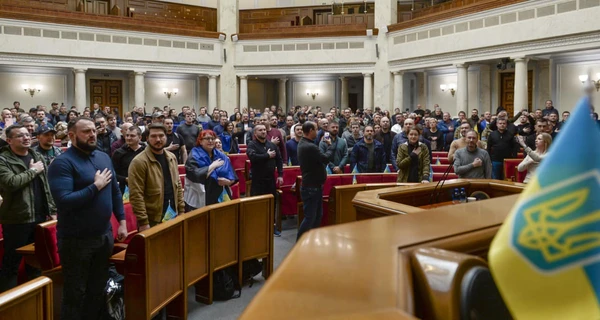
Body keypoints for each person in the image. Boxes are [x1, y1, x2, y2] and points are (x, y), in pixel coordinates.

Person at [48, 117, 127, 319]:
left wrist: (122, 221)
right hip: (77, 240)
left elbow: (115, 192)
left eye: (93, 130)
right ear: (72, 135)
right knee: (75, 293)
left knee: (97, 289)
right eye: (86, 131)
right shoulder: (62, 163)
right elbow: (64, 200)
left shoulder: (102, 157)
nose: (92, 134)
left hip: (104, 235)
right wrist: (95, 187)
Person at [0, 125, 56, 292]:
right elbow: (10, 183)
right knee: (12, 264)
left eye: (27, 134)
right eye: (20, 136)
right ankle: (8, 302)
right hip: (17, 219)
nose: (25, 138)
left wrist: (52, 211)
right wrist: (32, 171)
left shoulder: (36, 155)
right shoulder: (3, 160)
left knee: (36, 262)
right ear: (9, 140)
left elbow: (46, 186)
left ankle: (35, 299)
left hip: (39, 218)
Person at [128, 124, 184, 230]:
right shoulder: (139, 161)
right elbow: (136, 195)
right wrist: (143, 222)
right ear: (147, 138)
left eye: (161, 136)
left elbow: (178, 185)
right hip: (152, 220)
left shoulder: (171, 157)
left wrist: (181, 210)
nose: (158, 139)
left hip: (173, 214)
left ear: (166, 137)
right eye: (153, 136)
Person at [296, 121, 335, 241]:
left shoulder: (305, 143)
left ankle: (311, 240)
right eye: (316, 129)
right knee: (310, 218)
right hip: (311, 187)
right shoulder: (309, 146)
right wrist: (330, 145)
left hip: (314, 186)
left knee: (317, 216)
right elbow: (326, 158)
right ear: (311, 131)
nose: (318, 132)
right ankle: (300, 242)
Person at [184, 130, 236, 211]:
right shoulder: (194, 155)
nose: (211, 141)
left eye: (212, 138)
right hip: (202, 195)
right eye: (207, 138)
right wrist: (212, 166)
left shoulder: (220, 154)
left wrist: (228, 182)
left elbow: (232, 174)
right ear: (200, 141)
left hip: (221, 192)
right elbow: (195, 175)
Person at [247, 124, 284, 237]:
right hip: (258, 179)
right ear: (255, 133)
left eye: (264, 130)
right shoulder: (252, 144)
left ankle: (272, 226)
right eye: (260, 130)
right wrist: (266, 156)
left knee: (271, 203)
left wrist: (280, 175)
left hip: (270, 179)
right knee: (257, 204)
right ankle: (257, 226)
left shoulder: (271, 144)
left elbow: (279, 159)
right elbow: (252, 157)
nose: (263, 132)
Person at [112, 125, 145, 194]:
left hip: (145, 188)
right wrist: (125, 179)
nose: (129, 138)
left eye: (132, 136)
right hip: (125, 190)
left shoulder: (146, 151)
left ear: (140, 137)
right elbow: (113, 173)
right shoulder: (118, 153)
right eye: (127, 135)